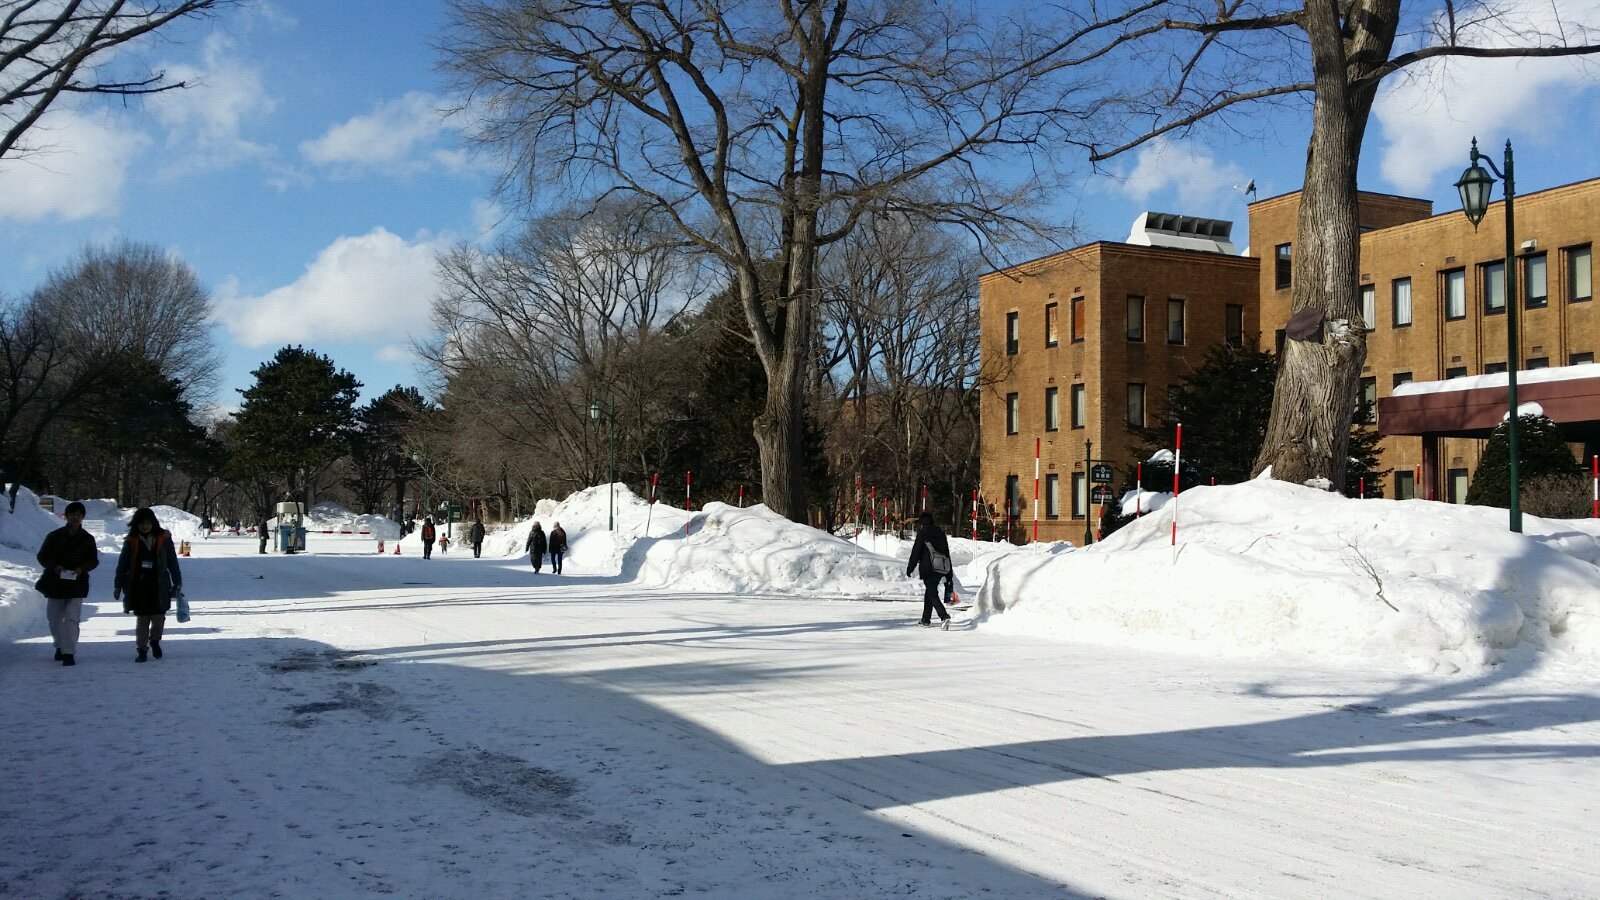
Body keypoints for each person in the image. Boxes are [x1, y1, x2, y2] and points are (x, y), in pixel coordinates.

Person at [113, 507, 183, 663]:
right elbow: (123, 564)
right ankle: (142, 649)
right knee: (142, 619)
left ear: (153, 523)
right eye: (141, 523)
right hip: (138, 585)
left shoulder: (164, 539)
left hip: (159, 584)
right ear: (136, 524)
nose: (144, 526)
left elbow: (172, 561)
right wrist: (118, 585)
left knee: (159, 616)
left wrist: (177, 581)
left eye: (147, 523)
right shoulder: (131, 540)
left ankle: (155, 640)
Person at [36, 500, 100, 666]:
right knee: (54, 619)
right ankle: (59, 645)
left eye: (79, 515)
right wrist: (55, 567)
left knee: (72, 618)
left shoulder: (87, 538)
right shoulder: (54, 536)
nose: (75, 518)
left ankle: (69, 652)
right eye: (72, 514)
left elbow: (93, 560)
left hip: (77, 584)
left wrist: (82, 568)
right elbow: (42, 556)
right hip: (55, 583)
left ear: (82, 517)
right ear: (66, 516)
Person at [905, 511, 953, 630]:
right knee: (930, 593)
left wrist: (910, 568)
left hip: (928, 568)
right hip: (940, 567)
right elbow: (946, 553)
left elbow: (916, 552)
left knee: (932, 594)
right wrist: (949, 573)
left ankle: (944, 616)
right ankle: (925, 620)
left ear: (921, 523)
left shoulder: (923, 533)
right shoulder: (940, 533)